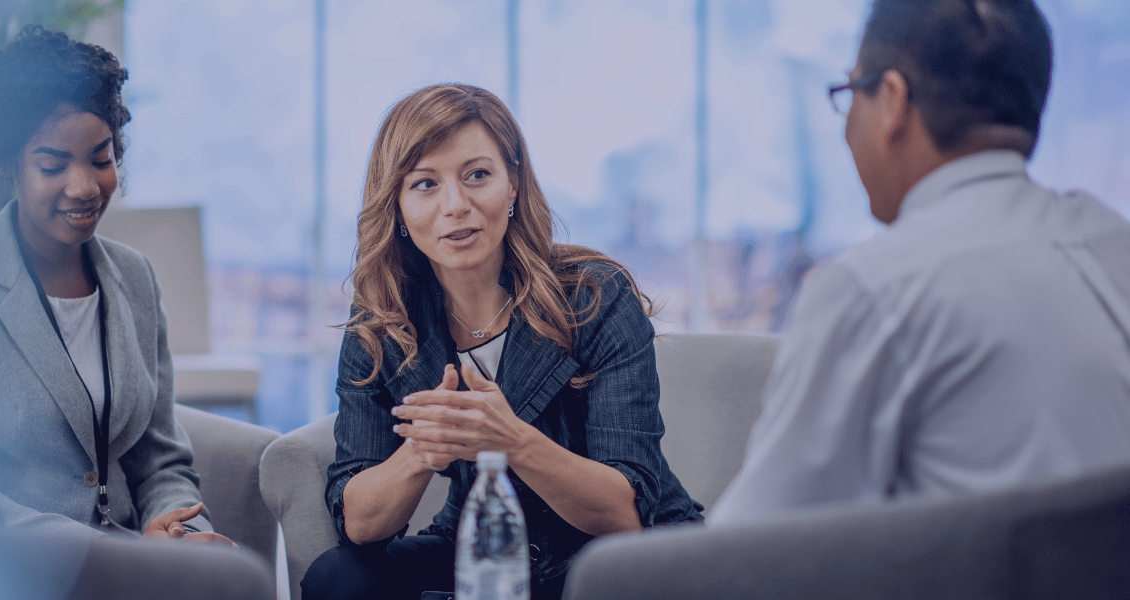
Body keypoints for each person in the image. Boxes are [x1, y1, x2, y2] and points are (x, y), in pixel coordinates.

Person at [711, 0, 1130, 524]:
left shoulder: (874, 289)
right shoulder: (1113, 244)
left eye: (849, 95)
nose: (846, 130)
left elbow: (751, 552)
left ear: (891, 100)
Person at [301, 84, 701, 600]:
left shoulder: (594, 295)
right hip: (482, 543)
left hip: (618, 557)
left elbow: (624, 514)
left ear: (512, 185)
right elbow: (359, 521)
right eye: (425, 184)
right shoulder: (382, 322)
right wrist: (424, 448)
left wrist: (510, 440)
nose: (456, 205)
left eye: (477, 175)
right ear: (397, 207)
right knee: (339, 578)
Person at [0, 25, 230, 545]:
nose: (85, 187)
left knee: (231, 574)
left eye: (102, 159)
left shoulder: (135, 277)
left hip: (130, 555)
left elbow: (160, 461)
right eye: (52, 165)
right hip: (15, 563)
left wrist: (179, 526)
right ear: (6, 164)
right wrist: (101, 555)